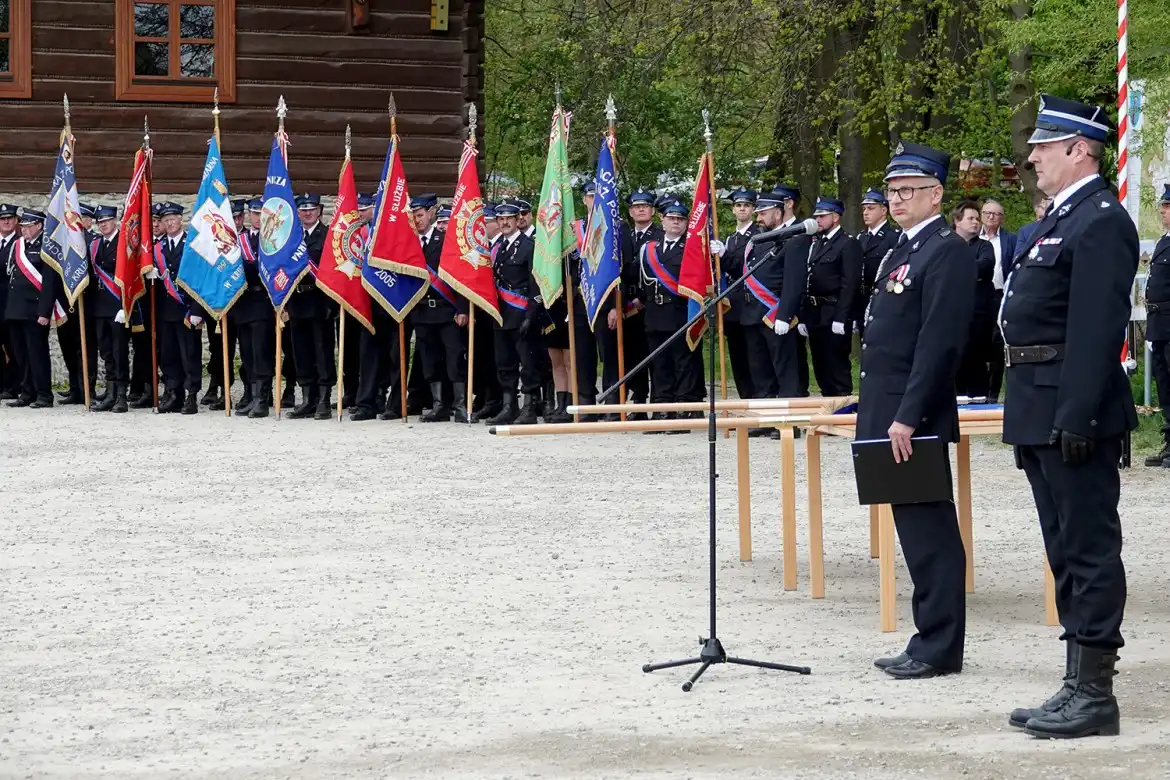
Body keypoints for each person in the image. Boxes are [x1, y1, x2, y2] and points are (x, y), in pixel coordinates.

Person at [1001, 95, 1137, 739]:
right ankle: (1073, 682)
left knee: (1088, 549)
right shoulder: (1061, 218)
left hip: (1069, 407)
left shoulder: (1100, 219)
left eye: (1044, 147)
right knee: (1062, 551)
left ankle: (1095, 694)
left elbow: (1095, 326)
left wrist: (1078, 414)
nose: (1032, 157)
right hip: (1037, 402)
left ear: (1079, 150)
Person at [863, 141, 975, 679]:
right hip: (889, 409)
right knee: (912, 531)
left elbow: (938, 343)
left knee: (931, 533)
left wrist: (908, 413)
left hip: (915, 417)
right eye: (892, 190)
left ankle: (940, 646)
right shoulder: (900, 249)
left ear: (936, 195)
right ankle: (926, 636)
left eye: (908, 189)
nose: (897, 198)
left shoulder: (946, 249)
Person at [739, 187, 806, 428]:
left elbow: (794, 282)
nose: (758, 218)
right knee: (760, 370)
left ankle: (788, 422)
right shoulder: (757, 240)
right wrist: (724, 253)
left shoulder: (793, 239)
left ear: (778, 213)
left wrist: (785, 315)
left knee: (785, 371)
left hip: (774, 314)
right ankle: (766, 420)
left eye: (763, 213)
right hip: (751, 315)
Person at [638, 200, 700, 433]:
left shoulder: (692, 249)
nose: (675, 222)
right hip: (654, 314)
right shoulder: (649, 248)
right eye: (671, 218)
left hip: (679, 312)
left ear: (685, 224)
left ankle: (682, 411)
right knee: (659, 364)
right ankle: (662, 408)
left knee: (682, 363)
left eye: (681, 219)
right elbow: (641, 281)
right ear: (662, 220)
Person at [411, 193, 470, 423]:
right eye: (414, 216)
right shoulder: (409, 244)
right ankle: (439, 405)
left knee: (454, 358)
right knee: (430, 360)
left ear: (431, 213)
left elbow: (458, 277)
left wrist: (462, 309)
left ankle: (460, 405)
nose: (418, 220)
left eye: (421, 215)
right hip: (423, 312)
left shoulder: (445, 241)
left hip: (447, 310)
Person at [486, 201, 543, 425]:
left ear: (518, 220)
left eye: (509, 218)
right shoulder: (497, 248)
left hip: (522, 314)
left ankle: (529, 408)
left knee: (528, 364)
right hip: (501, 314)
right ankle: (509, 406)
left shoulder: (530, 246)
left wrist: (531, 314)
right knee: (504, 362)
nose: (505, 222)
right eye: (500, 219)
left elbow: (535, 284)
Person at [802, 197, 861, 398]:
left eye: (822, 216)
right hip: (815, 312)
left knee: (837, 366)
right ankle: (829, 414)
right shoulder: (818, 243)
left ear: (835, 217)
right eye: (816, 216)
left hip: (834, 310)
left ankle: (843, 415)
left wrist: (842, 317)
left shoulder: (847, 243)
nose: (817, 220)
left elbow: (849, 283)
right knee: (821, 366)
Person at [286, 193, 334, 420]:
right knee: (301, 351)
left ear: (320, 211)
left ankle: (324, 399)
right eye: (303, 209)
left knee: (322, 351)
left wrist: (330, 304)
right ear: (297, 212)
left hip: (319, 301)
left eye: (312, 209)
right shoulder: (291, 237)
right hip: (297, 301)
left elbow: (334, 272)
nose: (307, 212)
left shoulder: (328, 236)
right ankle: (307, 398)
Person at [5, 209, 58, 408]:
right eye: (23, 226)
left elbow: (49, 283)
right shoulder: (18, 246)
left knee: (37, 353)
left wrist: (44, 312)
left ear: (39, 226)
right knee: (21, 353)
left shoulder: (47, 248)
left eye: (28, 226)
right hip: (16, 309)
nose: (24, 230)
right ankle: (27, 392)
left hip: (34, 310)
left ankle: (44, 394)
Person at [155, 202, 203, 415]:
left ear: (181, 219)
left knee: (189, 353)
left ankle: (191, 395)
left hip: (186, 310)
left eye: (173, 219)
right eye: (165, 220)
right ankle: (173, 393)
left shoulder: (192, 243)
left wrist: (197, 311)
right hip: (166, 309)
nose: (170, 223)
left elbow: (200, 279)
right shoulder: (158, 246)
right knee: (168, 354)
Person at [618, 188, 661, 418]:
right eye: (636, 207)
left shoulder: (659, 235)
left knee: (652, 354)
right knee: (633, 354)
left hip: (650, 303)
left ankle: (658, 401)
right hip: (626, 304)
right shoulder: (624, 236)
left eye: (645, 206)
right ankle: (639, 398)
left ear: (653, 210)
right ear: (630, 212)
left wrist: (640, 301)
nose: (640, 210)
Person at [715, 188, 760, 401]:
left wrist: (723, 256)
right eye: (738, 205)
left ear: (753, 209)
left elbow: (745, 268)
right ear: (733, 210)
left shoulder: (758, 236)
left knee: (754, 360)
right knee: (738, 360)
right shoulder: (731, 238)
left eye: (747, 205)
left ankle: (756, 404)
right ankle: (745, 404)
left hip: (750, 303)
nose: (742, 209)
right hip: (732, 305)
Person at [950, 199, 996, 399]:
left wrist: (957, 270)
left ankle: (980, 398)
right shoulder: (946, 245)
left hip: (978, 313)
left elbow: (984, 267)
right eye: (971, 218)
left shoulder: (985, 247)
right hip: (951, 312)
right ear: (957, 221)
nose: (976, 222)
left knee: (977, 358)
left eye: (977, 219)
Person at [233, 198, 274, 419]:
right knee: (247, 353)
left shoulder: (272, 240)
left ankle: (263, 398)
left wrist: (248, 268)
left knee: (261, 353)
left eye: (261, 214)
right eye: (254, 214)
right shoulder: (241, 239)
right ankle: (252, 394)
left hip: (262, 301)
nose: (257, 218)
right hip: (243, 302)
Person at [88, 206, 130, 413]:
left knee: (119, 351)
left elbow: (130, 275)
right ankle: (111, 391)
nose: (103, 224)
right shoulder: (95, 245)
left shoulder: (124, 242)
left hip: (118, 305)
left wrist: (125, 305)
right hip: (100, 306)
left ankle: (121, 394)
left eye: (107, 220)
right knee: (106, 352)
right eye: (100, 222)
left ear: (115, 221)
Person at [983, 198, 1020, 402]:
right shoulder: (970, 237)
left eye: (995, 214)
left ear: (1002, 218)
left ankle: (993, 393)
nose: (991, 216)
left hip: (1000, 295)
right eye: (987, 212)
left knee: (997, 345)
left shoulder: (1010, 240)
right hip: (977, 298)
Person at [1145, 185, 1170, 467]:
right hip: (1159, 324)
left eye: (1166, 206)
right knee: (1164, 386)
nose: (1162, 211)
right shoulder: (1164, 241)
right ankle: (1169, 442)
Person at [855, 189, 901, 336]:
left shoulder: (894, 237)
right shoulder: (861, 238)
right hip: (862, 302)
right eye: (864, 209)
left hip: (883, 300)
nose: (865, 212)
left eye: (870, 208)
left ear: (883, 210)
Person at [0, 203, 19, 400]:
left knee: (13, 347)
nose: (6, 221)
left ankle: (14, 385)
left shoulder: (20, 244)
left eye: (9, 218)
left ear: (16, 221)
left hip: (11, 304)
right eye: (2, 218)